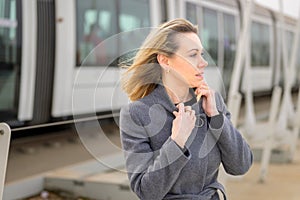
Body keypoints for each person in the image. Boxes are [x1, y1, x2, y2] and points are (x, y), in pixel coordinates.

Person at [119, 18, 252, 200]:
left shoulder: (213, 102)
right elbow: (146, 191)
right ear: (165, 61)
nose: (203, 62)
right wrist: (177, 142)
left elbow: (241, 165)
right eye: (192, 55)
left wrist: (216, 118)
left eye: (202, 54)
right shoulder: (136, 114)